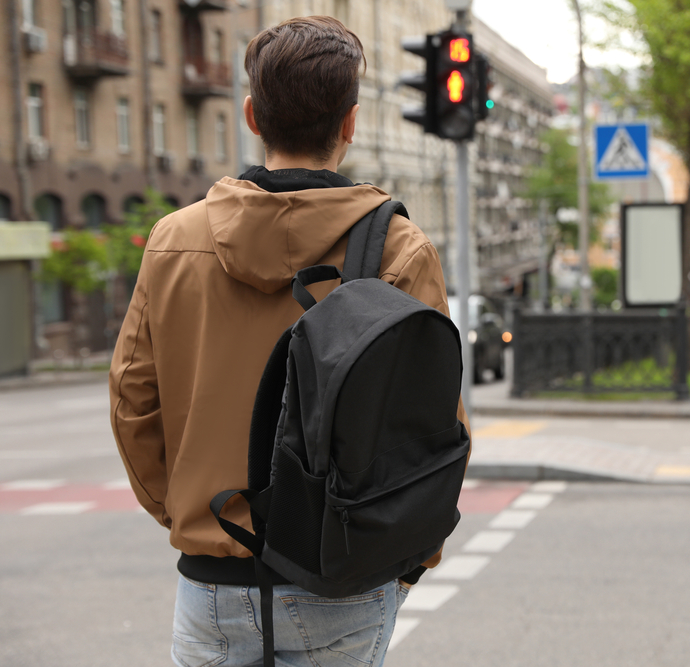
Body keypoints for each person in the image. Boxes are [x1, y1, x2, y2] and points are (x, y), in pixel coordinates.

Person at [109, 16, 467, 667]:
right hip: (344, 571)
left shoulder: (173, 240)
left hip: (212, 577)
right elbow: (435, 425)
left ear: (251, 114)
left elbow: (134, 401)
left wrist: (188, 516)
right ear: (350, 122)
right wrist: (410, 560)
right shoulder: (396, 246)